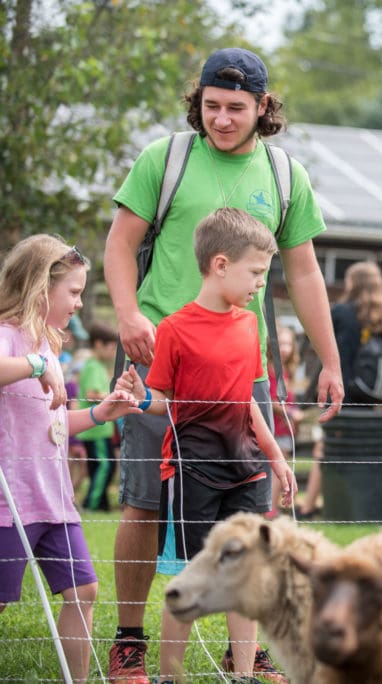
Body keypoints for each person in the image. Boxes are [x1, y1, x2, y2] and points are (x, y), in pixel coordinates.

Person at [103, 47, 343, 680]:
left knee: (245, 510)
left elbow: (305, 272)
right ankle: (130, 638)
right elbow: (120, 245)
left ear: (264, 107)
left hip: (243, 370)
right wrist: (129, 314)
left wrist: (329, 357)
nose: (222, 120)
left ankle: (247, 651)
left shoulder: (286, 175)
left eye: (236, 108)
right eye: (211, 106)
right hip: (160, 357)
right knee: (145, 504)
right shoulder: (167, 159)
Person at [116, 208, 298, 682]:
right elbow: (164, 403)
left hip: (247, 469)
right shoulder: (174, 329)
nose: (262, 282)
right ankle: (169, 677)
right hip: (191, 472)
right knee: (192, 578)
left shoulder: (249, 326)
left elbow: (248, 402)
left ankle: (242, 673)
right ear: (220, 265)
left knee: (247, 575)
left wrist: (276, 457)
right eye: (256, 272)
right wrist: (139, 399)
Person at [0, 236, 139, 683]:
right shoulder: (8, 337)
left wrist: (101, 412)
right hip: (10, 505)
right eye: (74, 292)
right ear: (42, 288)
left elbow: (52, 426)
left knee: (83, 591)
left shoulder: (48, 344)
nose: (80, 303)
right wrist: (38, 366)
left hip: (55, 501)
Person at [297, 261, 382, 521]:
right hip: (372, 397)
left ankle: (309, 506)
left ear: (351, 283)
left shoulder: (340, 312)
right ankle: (358, 506)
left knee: (326, 448)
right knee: (363, 451)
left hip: (342, 394)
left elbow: (314, 336)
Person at [77, 321, 121, 511]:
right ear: (98, 344)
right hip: (96, 429)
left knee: (100, 467)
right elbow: (91, 394)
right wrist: (113, 397)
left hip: (98, 429)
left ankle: (100, 502)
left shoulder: (94, 365)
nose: (113, 352)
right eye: (111, 347)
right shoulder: (94, 366)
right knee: (105, 466)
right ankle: (92, 504)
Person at [267, 324, 305, 519]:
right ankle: (270, 509)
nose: (284, 348)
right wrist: (290, 412)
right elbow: (269, 400)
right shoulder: (268, 371)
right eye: (280, 343)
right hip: (273, 429)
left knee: (282, 468)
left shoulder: (287, 372)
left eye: (288, 344)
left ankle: (274, 506)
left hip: (285, 430)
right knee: (276, 469)